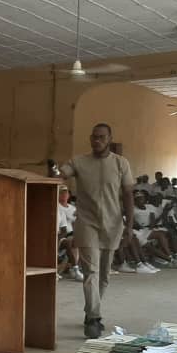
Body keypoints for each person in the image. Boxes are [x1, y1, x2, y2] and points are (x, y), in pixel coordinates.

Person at [49, 122, 134, 339]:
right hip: (87, 223)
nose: (97, 140)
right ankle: (94, 318)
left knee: (104, 275)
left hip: (113, 223)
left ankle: (90, 312)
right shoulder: (79, 161)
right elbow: (61, 174)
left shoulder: (121, 163)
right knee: (91, 272)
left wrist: (130, 225)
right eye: (94, 137)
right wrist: (54, 171)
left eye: (102, 137)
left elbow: (127, 195)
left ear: (109, 139)